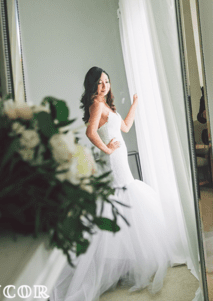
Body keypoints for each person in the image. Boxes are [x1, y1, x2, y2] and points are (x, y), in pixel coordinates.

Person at [51, 67, 172, 301]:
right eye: (99, 82)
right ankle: (110, 263)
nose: (104, 85)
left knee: (126, 200)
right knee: (122, 198)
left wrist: (135, 103)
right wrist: (107, 149)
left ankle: (125, 262)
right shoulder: (96, 104)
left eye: (106, 81)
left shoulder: (107, 105)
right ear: (92, 86)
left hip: (119, 160)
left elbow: (124, 127)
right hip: (113, 161)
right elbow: (90, 131)